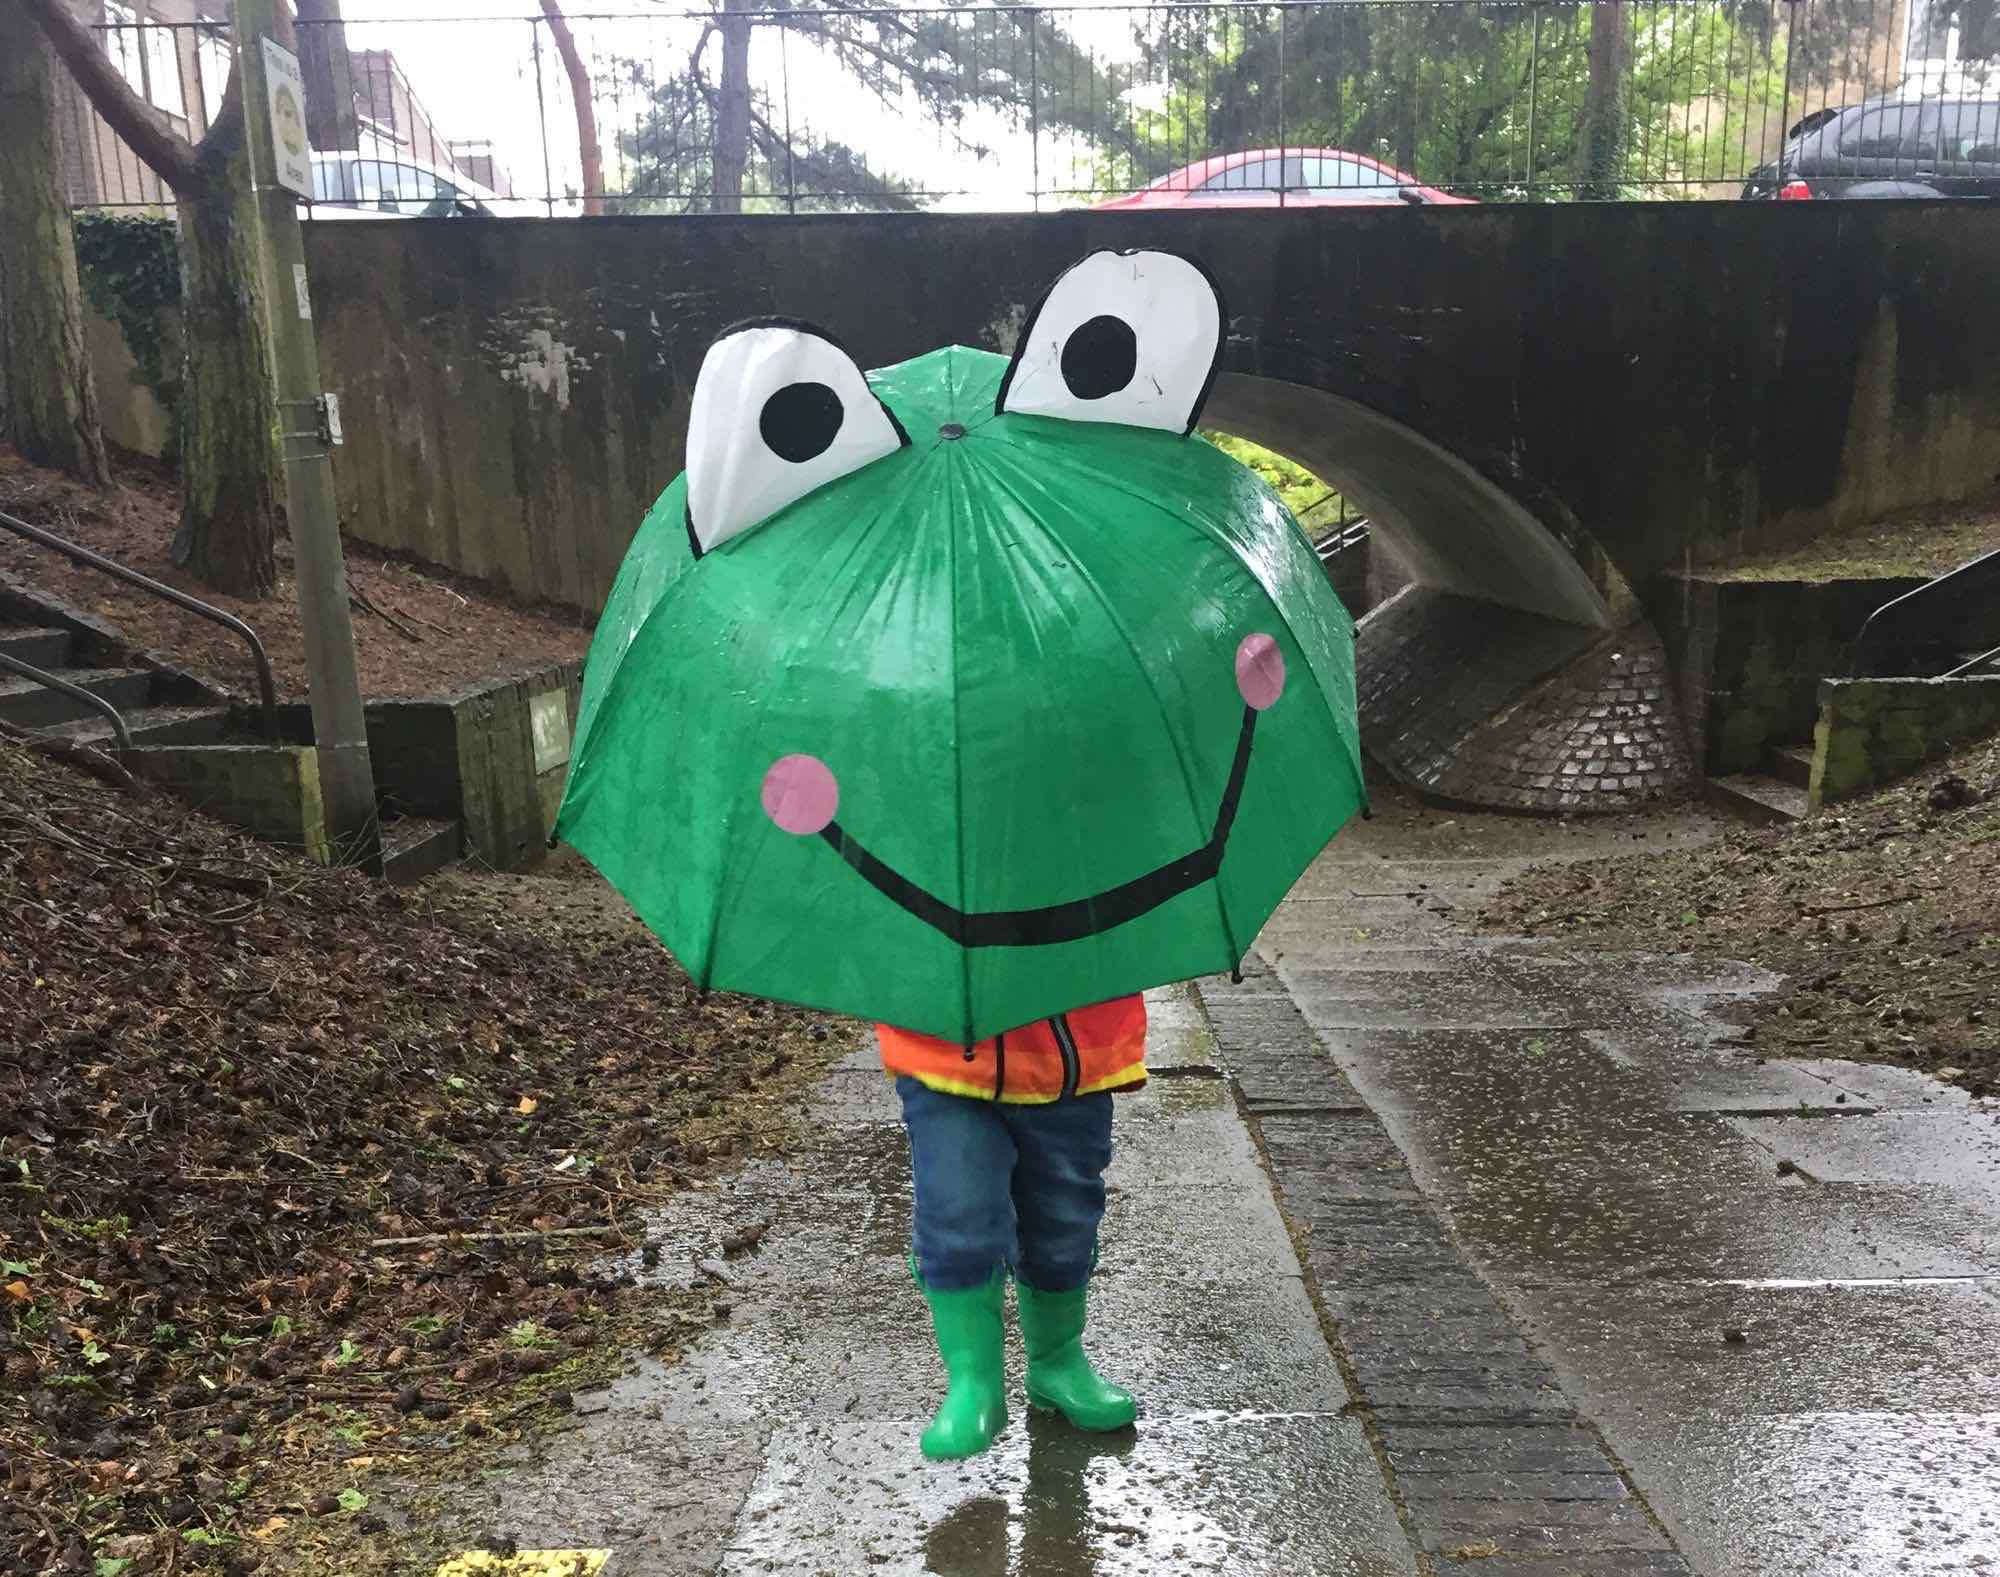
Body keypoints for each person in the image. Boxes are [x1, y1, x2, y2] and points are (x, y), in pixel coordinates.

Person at [875, 996, 1147, 1460]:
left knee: (1065, 1221)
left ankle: (1056, 1361)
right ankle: (973, 1380)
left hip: (1076, 1052)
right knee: (956, 1213)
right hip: (945, 1054)